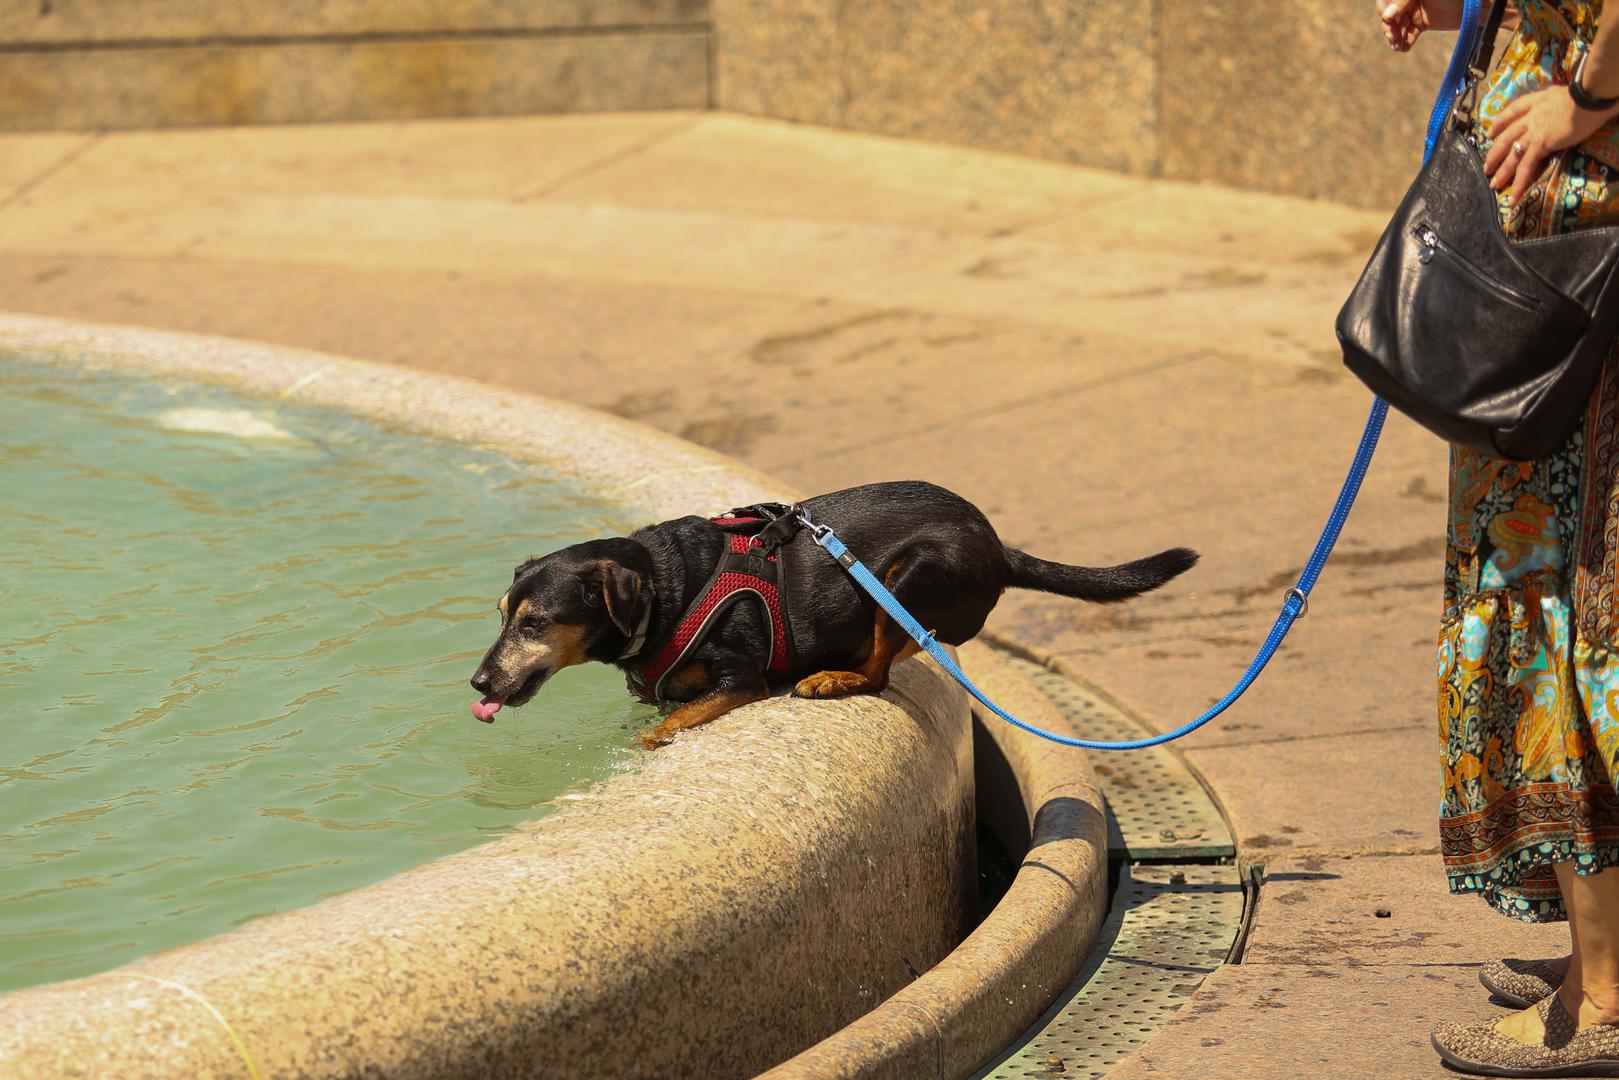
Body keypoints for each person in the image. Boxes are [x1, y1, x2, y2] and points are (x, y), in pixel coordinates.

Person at [1383, 0, 1619, 1071]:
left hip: (1577, 253)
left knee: (1560, 602)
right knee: (1556, 593)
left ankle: (1604, 998)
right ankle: (1598, 961)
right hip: (1561, 250)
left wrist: (1585, 99)